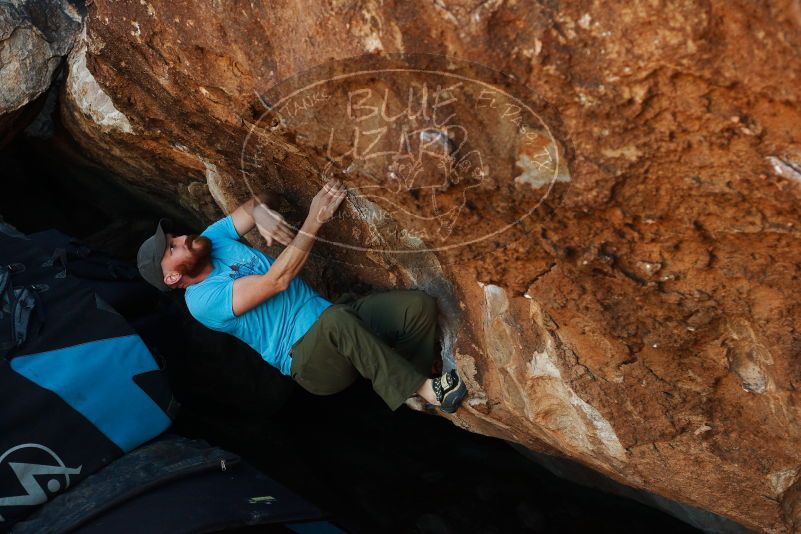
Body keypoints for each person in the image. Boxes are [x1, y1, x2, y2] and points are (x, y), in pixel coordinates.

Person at [136, 179, 467, 413]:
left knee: (417, 308)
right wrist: (315, 219)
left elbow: (263, 197)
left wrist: (260, 211)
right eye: (172, 247)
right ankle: (424, 389)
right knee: (336, 320)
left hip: (337, 320)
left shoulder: (213, 238)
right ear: (173, 276)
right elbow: (276, 281)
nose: (181, 238)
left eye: (174, 235)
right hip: (310, 363)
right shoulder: (202, 302)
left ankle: (412, 384)